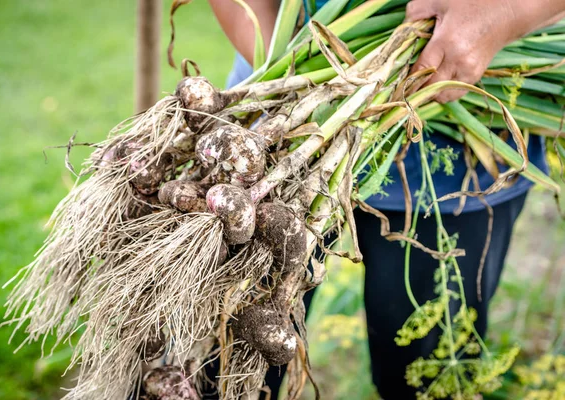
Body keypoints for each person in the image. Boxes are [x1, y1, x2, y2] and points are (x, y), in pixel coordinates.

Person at [206, 0, 565, 399]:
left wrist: (506, 12)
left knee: (424, 376)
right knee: (226, 362)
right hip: (279, 123)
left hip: (459, 159)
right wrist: (295, 73)